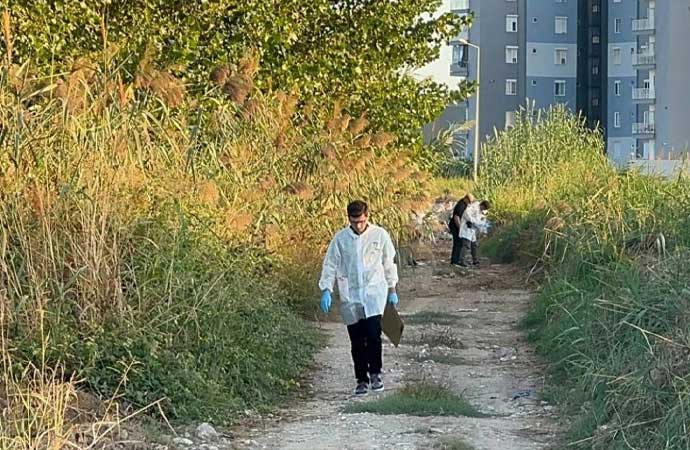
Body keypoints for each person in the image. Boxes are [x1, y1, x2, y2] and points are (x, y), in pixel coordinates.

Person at [318, 200, 399, 396]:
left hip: (374, 293)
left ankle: (375, 374)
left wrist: (392, 288)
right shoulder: (341, 239)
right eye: (354, 222)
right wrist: (326, 289)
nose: (358, 226)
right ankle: (361, 379)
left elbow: (389, 263)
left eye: (361, 221)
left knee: (373, 335)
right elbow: (330, 265)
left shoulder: (379, 235)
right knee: (356, 340)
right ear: (349, 220)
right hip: (351, 295)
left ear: (367, 217)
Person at [456, 200, 491, 267]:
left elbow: (479, 220)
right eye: (483, 208)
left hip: (472, 230)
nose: (483, 210)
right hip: (466, 228)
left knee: (474, 246)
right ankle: (461, 261)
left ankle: (475, 260)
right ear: (482, 205)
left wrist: (482, 227)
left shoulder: (481, 211)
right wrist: (471, 221)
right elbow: (466, 214)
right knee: (466, 245)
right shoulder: (473, 206)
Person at [448, 193, 475, 265]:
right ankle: (455, 261)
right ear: (466, 199)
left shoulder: (464, 204)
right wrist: (460, 228)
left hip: (458, 226)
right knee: (458, 243)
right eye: (469, 202)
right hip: (455, 226)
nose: (470, 203)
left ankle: (456, 260)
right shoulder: (461, 205)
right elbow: (456, 217)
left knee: (459, 243)